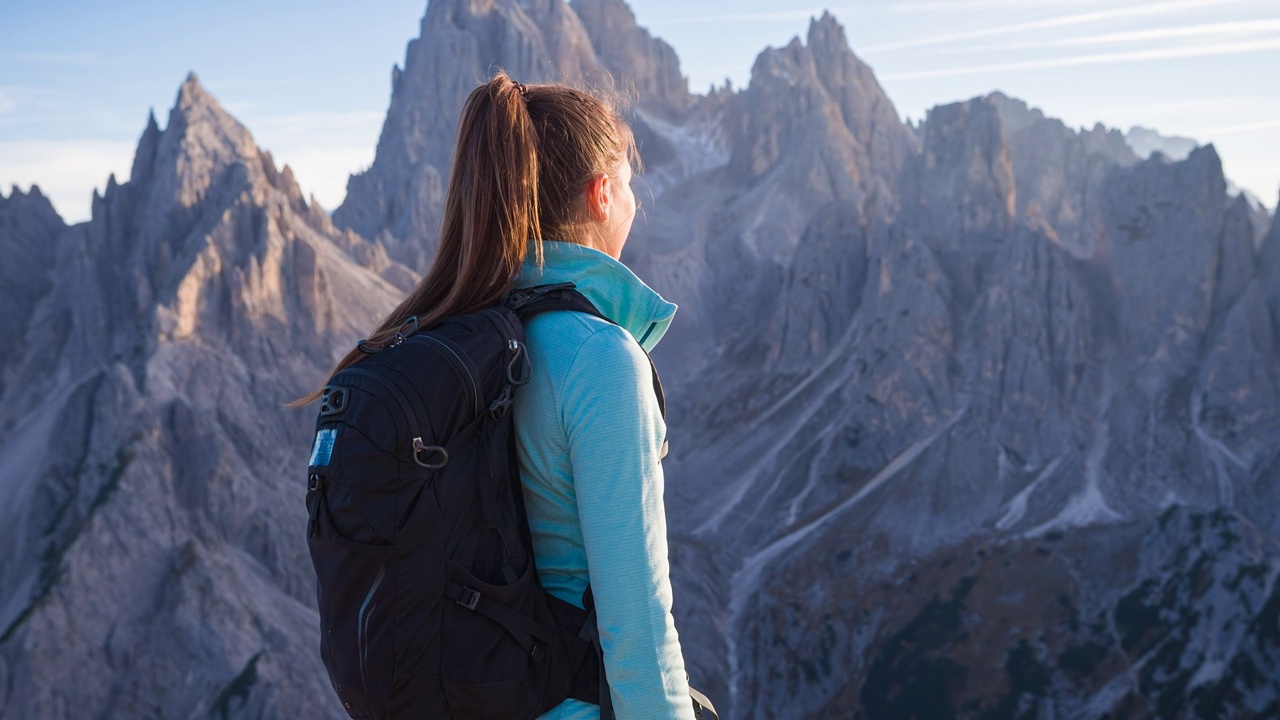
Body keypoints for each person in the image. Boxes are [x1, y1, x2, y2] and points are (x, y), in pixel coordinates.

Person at [312, 72, 695, 719]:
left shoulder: (471, 332)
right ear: (601, 196)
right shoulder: (601, 359)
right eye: (630, 184)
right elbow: (637, 621)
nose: (636, 201)